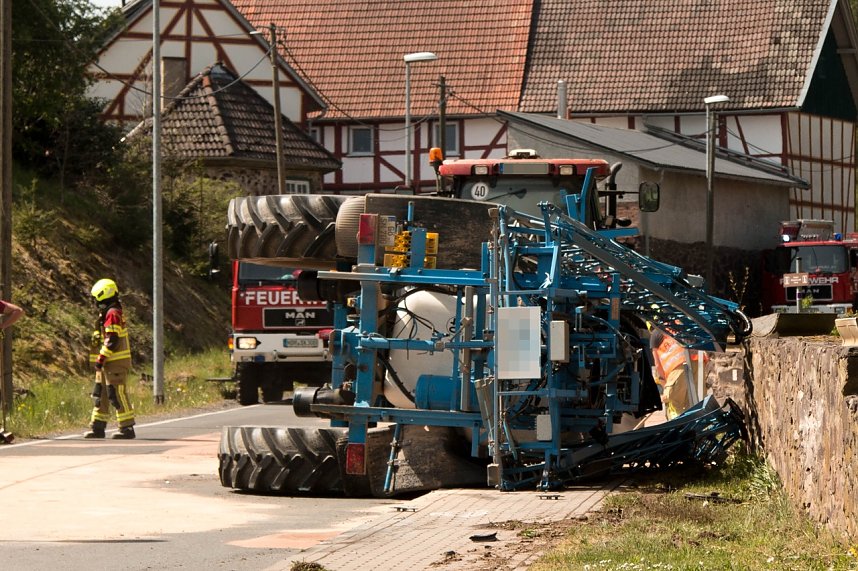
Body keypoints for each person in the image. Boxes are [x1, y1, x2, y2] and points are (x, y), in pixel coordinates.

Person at [84, 279, 136, 439]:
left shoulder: (112, 314)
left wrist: (101, 357)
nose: (94, 301)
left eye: (95, 298)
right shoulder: (108, 313)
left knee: (116, 393)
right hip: (107, 363)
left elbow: (112, 340)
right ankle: (98, 427)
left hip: (115, 363)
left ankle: (127, 428)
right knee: (102, 395)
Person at [650, 327, 707, 420]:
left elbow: (657, 364)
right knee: (695, 406)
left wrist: (665, 386)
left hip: (677, 368)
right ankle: (694, 430)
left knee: (674, 405)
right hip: (698, 363)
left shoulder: (656, 334)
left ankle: (678, 430)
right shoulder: (679, 324)